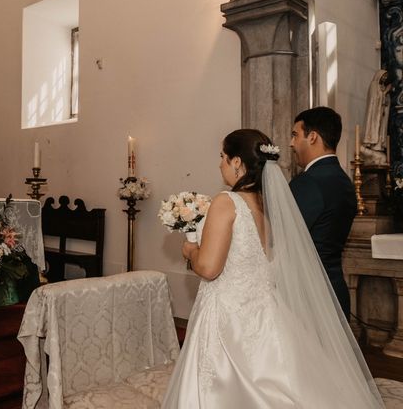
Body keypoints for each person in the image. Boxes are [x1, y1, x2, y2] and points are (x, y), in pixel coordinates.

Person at [162, 129, 383, 408]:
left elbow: (208, 268)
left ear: (238, 163)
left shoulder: (225, 201)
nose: (220, 164)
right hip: (266, 309)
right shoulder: (268, 205)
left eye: (223, 157)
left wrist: (190, 250)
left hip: (228, 312)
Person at [289, 107, 356, 319]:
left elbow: (285, 239)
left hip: (309, 297)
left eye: (295, 135)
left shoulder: (308, 182)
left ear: (313, 137)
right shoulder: (344, 181)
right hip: (335, 288)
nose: (291, 143)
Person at [361, 70, 392, 165]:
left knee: (380, 131)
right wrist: (385, 91)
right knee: (375, 128)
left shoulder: (382, 87)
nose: (385, 78)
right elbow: (375, 99)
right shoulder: (374, 85)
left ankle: (378, 147)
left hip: (381, 115)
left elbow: (385, 101)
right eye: (383, 76)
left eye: (386, 77)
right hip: (374, 116)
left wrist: (386, 95)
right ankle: (371, 145)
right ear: (379, 75)